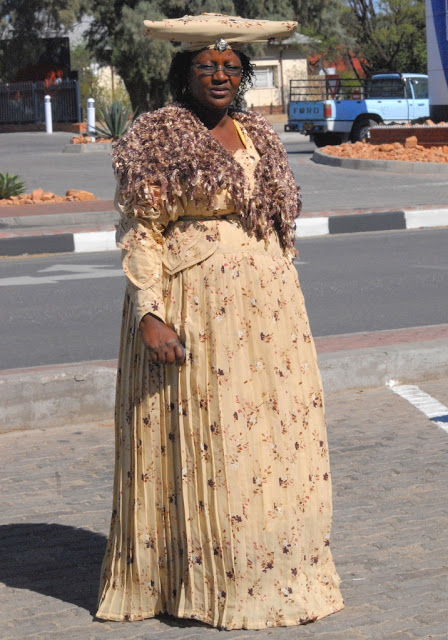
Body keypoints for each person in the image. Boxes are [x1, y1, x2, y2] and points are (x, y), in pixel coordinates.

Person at [97, 13, 344, 630]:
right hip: (193, 308)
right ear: (185, 72)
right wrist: (150, 313)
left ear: (243, 74)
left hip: (268, 313)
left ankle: (278, 573)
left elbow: (276, 214)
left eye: (231, 67)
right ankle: (203, 583)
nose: (219, 75)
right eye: (207, 66)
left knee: (275, 439)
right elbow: (141, 229)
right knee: (212, 439)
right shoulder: (158, 133)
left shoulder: (255, 131)